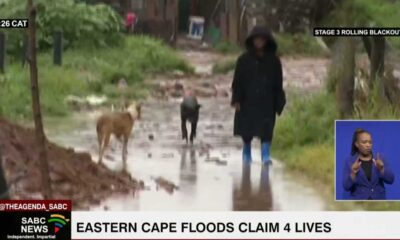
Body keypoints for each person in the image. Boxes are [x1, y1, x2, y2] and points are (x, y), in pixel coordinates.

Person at [231, 26, 286, 165]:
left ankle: (266, 154)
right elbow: (237, 81)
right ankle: (246, 153)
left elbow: (278, 83)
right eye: (256, 39)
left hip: (267, 100)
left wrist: (279, 102)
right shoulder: (243, 60)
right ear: (252, 40)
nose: (259, 42)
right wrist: (236, 99)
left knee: (266, 128)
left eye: (262, 39)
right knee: (246, 128)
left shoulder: (274, 61)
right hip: (247, 100)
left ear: (267, 41)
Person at [343, 128, 394, 200]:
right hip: (360, 204)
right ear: (356, 144)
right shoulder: (350, 161)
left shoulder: (379, 158)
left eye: (370, 142)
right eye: (364, 142)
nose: (368, 145)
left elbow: (391, 180)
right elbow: (346, 186)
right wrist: (353, 173)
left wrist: (382, 169)